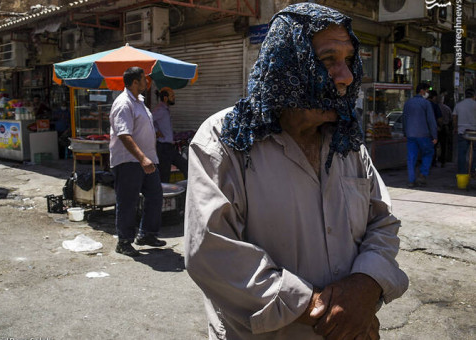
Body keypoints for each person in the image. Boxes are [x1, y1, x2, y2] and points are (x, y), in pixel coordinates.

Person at [184, 3, 409, 339]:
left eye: (348, 60)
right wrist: (322, 309)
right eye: (329, 60)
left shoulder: (347, 143)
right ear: (286, 64)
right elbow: (210, 252)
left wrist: (365, 286)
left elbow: (382, 221)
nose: (346, 76)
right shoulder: (225, 139)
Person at [109, 67, 166, 257]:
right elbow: (124, 134)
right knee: (128, 201)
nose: (147, 82)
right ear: (135, 82)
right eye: (144, 79)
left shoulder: (140, 101)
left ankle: (147, 235)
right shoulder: (124, 103)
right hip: (129, 162)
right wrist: (142, 158)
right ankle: (124, 242)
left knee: (155, 195)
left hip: (148, 160)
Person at [402, 82, 438, 188]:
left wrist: (405, 132)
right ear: (422, 91)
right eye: (427, 91)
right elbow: (431, 121)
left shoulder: (408, 103)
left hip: (410, 135)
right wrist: (434, 136)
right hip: (424, 135)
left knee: (411, 157)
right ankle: (422, 175)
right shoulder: (426, 103)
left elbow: (404, 119)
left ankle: (411, 180)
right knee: (428, 153)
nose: (428, 93)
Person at [152, 87, 188, 182]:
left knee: (185, 166)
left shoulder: (166, 110)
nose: (174, 97)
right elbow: (148, 121)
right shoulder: (160, 110)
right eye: (172, 96)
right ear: (165, 98)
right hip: (163, 149)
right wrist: (156, 131)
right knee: (164, 176)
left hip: (169, 148)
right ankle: (163, 196)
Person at [452, 88, 476, 175]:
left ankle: (462, 172)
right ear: (474, 96)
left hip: (462, 131)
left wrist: (455, 128)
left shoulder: (459, 105)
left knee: (461, 153)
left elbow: (454, 117)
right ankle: (473, 169)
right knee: (475, 151)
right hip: (474, 131)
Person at [427, 90, 443, 167]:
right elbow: (439, 119)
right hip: (433, 129)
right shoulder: (434, 105)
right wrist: (440, 126)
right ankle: (432, 162)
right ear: (434, 97)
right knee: (433, 146)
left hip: (422, 130)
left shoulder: (423, 104)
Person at [437, 91, 453, 167]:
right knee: (444, 145)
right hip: (445, 128)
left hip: (436, 128)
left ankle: (433, 161)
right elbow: (451, 119)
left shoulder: (434, 107)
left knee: (434, 145)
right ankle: (443, 161)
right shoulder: (447, 108)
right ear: (443, 100)